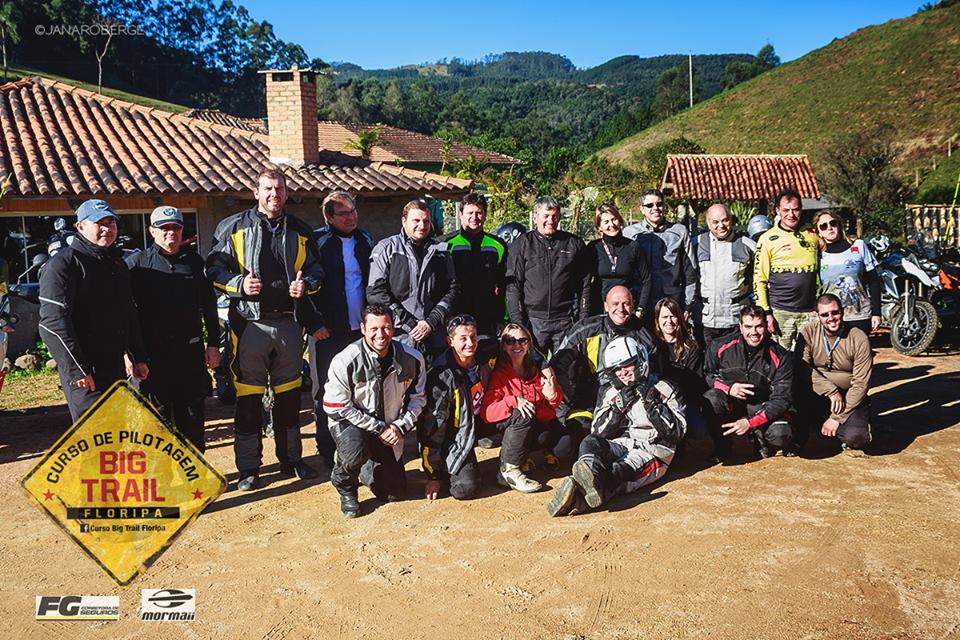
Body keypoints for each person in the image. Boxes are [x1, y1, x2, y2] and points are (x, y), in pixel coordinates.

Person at [206, 167, 324, 491]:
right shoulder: (232, 226)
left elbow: (317, 270)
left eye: (279, 189)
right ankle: (248, 468)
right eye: (268, 188)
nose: (274, 194)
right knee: (248, 401)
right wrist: (239, 284)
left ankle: (291, 459)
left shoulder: (300, 230)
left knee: (289, 399)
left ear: (286, 192)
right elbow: (213, 269)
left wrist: (307, 284)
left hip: (288, 325)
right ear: (256, 192)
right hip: (249, 325)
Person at [548, 336, 685, 517]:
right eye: (617, 369)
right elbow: (598, 432)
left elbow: (677, 433)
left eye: (628, 365)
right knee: (590, 442)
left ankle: (580, 498)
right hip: (623, 442)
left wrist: (654, 405)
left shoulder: (666, 387)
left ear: (640, 361)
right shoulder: (609, 391)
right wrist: (617, 409)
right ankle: (587, 478)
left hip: (654, 450)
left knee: (618, 472)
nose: (623, 372)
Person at [38, 199, 149, 421]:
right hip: (86, 372)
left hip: (115, 368)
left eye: (111, 222)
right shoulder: (62, 265)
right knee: (95, 434)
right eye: (100, 223)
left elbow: (128, 312)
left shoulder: (117, 264)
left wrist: (138, 356)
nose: (107, 229)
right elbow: (52, 324)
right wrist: (77, 369)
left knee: (117, 432)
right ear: (80, 226)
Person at [125, 206, 220, 452]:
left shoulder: (194, 262)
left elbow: (209, 306)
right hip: (152, 359)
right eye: (164, 228)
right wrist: (129, 354)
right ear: (152, 231)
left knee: (193, 421)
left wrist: (213, 344)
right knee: (157, 425)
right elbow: (123, 313)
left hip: (189, 355)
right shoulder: (137, 264)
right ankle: (161, 475)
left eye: (175, 228)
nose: (171, 233)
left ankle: (195, 473)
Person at [323, 304, 427, 518]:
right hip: (349, 422)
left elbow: (418, 400)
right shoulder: (345, 360)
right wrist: (378, 428)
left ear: (393, 327)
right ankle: (345, 484)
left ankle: (367, 466)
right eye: (374, 329)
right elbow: (336, 406)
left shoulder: (412, 358)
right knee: (355, 452)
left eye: (386, 327)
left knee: (395, 493)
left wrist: (399, 427)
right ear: (363, 328)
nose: (381, 335)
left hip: (389, 427)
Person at [308, 191, 374, 469]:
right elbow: (303, 286)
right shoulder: (316, 242)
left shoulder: (365, 240)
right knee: (325, 389)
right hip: (327, 332)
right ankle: (327, 448)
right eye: (343, 213)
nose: (351, 217)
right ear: (328, 217)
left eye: (353, 211)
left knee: (363, 388)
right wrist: (313, 324)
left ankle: (362, 444)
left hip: (360, 331)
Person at [550, 286, 657, 446]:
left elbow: (655, 374)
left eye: (626, 304)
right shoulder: (586, 329)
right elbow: (557, 366)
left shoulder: (644, 336)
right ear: (606, 306)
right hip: (587, 402)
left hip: (628, 403)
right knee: (568, 445)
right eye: (615, 304)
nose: (621, 309)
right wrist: (569, 399)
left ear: (633, 306)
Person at [702, 305, 797, 462]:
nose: (754, 332)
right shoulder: (719, 346)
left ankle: (761, 439)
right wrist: (728, 388)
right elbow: (708, 375)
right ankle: (722, 445)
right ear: (740, 327)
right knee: (711, 399)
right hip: (732, 404)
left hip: (761, 406)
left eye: (759, 326)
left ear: (766, 326)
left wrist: (750, 422)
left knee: (781, 433)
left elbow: (782, 399)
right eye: (748, 327)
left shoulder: (781, 356)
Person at [367, 199, 460, 356]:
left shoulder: (442, 251)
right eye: (416, 220)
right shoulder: (386, 249)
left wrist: (431, 322)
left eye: (426, 221)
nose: (422, 226)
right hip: (399, 335)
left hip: (434, 335)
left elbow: (453, 290)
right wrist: (410, 323)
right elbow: (375, 292)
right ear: (404, 221)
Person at [480, 323, 564, 493]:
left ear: (529, 344)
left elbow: (549, 413)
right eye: (510, 341)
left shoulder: (537, 371)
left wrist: (551, 396)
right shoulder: (499, 374)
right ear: (503, 346)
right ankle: (509, 471)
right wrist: (512, 401)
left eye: (522, 340)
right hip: (503, 425)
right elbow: (487, 413)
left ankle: (522, 455)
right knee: (522, 414)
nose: (517, 345)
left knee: (562, 446)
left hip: (531, 422)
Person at [506, 196, 591, 354]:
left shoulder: (574, 244)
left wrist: (583, 317)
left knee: (566, 366)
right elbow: (513, 287)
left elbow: (584, 284)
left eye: (555, 216)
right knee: (533, 367)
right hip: (533, 321)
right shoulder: (522, 245)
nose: (551, 221)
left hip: (565, 320)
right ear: (535, 217)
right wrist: (518, 322)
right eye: (546, 216)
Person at [419, 315, 491, 501]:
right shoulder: (441, 375)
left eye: (473, 337)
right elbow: (432, 428)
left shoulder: (485, 352)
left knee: (519, 415)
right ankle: (446, 468)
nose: (470, 343)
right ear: (450, 341)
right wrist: (433, 475)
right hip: (455, 433)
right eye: (463, 339)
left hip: (480, 420)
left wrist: (543, 365)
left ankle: (511, 466)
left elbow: (518, 343)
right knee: (465, 489)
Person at [794, 294, 873, 451]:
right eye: (824, 315)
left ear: (842, 311)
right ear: (818, 316)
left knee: (857, 437)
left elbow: (861, 384)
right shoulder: (808, 332)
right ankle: (808, 428)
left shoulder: (858, 337)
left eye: (835, 313)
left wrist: (837, 418)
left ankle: (841, 427)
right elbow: (802, 367)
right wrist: (831, 391)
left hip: (848, 395)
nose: (831, 318)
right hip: (817, 392)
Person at [753, 188, 820, 350]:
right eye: (786, 210)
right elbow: (759, 279)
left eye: (795, 209)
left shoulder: (812, 234)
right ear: (777, 210)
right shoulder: (767, 239)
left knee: (810, 356)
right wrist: (766, 313)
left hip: (810, 311)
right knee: (781, 358)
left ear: (801, 209)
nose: (791, 215)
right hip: (780, 313)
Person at [623, 189, 698, 317]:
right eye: (649, 205)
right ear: (642, 209)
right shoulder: (630, 234)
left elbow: (690, 271)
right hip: (640, 301)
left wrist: (688, 304)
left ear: (664, 206)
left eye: (659, 204)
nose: (655, 208)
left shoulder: (680, 232)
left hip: (671, 300)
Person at [445, 193, 509, 340]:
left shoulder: (497, 245)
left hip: (487, 318)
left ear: (485, 215)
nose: (474, 217)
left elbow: (503, 284)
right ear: (461, 215)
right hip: (456, 316)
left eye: (479, 213)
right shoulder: (446, 244)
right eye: (470, 213)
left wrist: (501, 319)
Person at [696, 203, 756, 346]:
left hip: (735, 319)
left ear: (731, 220)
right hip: (705, 319)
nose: (721, 225)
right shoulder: (696, 244)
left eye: (725, 220)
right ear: (708, 223)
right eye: (715, 222)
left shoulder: (748, 246)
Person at [814, 210, 882, 336]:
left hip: (860, 315)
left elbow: (874, 281)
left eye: (832, 223)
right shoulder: (817, 255)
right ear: (819, 232)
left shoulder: (859, 246)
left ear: (839, 225)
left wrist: (877, 313)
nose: (829, 228)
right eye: (823, 226)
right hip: (831, 317)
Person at [652, 297, 707, 441]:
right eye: (664, 317)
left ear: (680, 318)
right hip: (656, 398)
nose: (669, 321)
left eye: (673, 316)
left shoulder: (691, 347)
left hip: (684, 400)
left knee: (699, 430)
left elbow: (695, 384)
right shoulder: (652, 346)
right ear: (657, 320)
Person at [586, 203, 651, 318]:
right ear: (599, 227)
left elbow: (647, 280)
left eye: (614, 219)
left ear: (620, 220)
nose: (611, 224)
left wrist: (641, 308)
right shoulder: (593, 248)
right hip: (600, 308)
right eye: (606, 222)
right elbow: (585, 282)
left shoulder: (633, 247)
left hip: (625, 309)